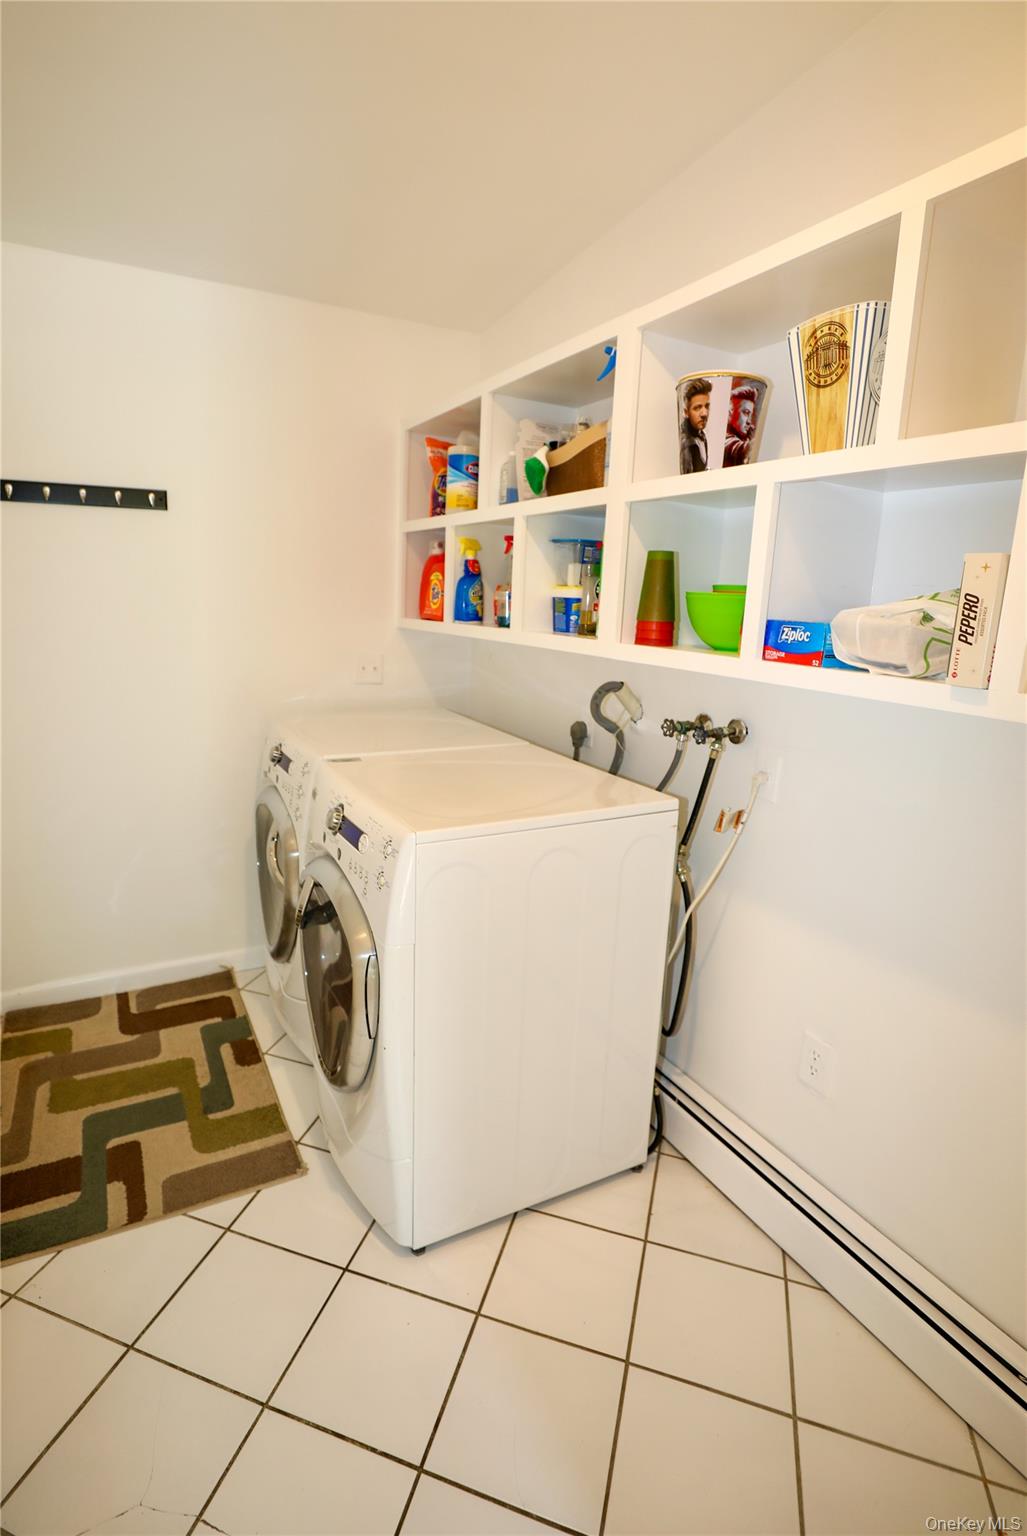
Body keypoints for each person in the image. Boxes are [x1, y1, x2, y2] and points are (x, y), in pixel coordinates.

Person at [679, 378, 712, 473]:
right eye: (697, 408)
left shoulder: (701, 435)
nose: (704, 413)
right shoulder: (686, 443)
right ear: (686, 412)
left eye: (707, 406)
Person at [723, 383, 760, 467]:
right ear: (730, 412)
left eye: (751, 415)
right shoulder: (724, 440)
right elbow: (739, 448)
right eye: (746, 413)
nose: (749, 421)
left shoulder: (744, 437)